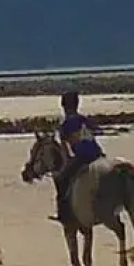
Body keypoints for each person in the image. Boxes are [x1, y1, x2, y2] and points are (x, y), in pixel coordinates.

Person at [51, 90, 103, 223]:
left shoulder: (65, 126)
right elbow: (96, 131)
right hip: (98, 154)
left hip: (83, 157)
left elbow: (65, 152)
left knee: (61, 179)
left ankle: (63, 213)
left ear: (64, 107)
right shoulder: (84, 119)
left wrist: (65, 165)